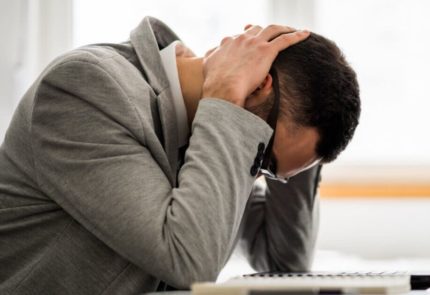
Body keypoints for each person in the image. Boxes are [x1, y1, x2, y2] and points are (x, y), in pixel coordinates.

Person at [0, 17, 360, 294]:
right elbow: (188, 261)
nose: (253, 174)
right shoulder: (86, 87)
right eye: (262, 162)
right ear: (256, 85)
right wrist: (223, 100)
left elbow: (285, 265)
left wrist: (295, 160)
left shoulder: (218, 129)